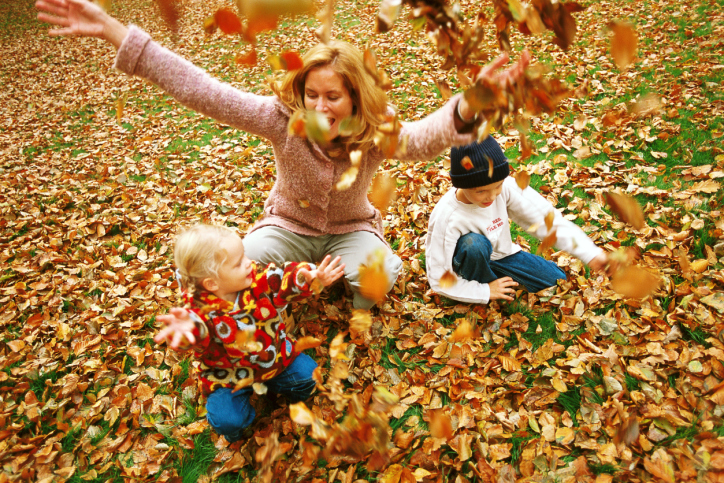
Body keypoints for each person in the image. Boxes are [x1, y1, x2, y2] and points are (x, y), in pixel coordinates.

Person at [36, 0, 529, 309]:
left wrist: (471, 103)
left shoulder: (374, 133)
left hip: (351, 230)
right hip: (287, 227)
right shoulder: (280, 119)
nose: (319, 106)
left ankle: (349, 301)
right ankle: (281, 295)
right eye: (311, 94)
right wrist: (116, 31)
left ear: (355, 97)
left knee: (382, 274)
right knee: (235, 269)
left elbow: (423, 138)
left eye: (332, 97)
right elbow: (201, 90)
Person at [153, 224, 344, 442]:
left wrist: (306, 278)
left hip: (275, 359)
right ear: (211, 283)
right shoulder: (198, 309)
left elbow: (281, 278)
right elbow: (197, 329)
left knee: (309, 376)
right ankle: (240, 427)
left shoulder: (257, 281)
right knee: (227, 418)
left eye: (244, 255)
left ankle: (285, 395)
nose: (248, 263)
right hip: (228, 376)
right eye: (238, 263)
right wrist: (188, 331)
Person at [425, 136, 611, 304]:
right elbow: (438, 278)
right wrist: (485, 291)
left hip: (502, 255)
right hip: (468, 260)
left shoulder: (506, 188)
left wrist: (591, 254)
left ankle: (494, 276)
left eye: (497, 186)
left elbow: (546, 220)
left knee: (555, 280)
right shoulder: (448, 215)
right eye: (480, 191)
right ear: (462, 185)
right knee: (473, 243)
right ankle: (480, 286)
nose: (491, 196)